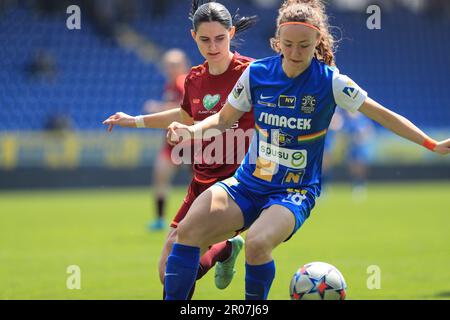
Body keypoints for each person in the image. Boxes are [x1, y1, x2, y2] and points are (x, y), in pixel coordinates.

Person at [163, 0, 450, 300]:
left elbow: (382, 114)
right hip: (247, 183)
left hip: (293, 192)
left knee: (258, 243)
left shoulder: (331, 82)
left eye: (304, 45)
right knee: (187, 231)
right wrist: (189, 131)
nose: (296, 53)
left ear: (317, 42)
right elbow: (223, 120)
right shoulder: (256, 74)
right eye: (288, 44)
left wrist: (431, 144)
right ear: (277, 41)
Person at [103, 0, 258, 298]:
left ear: (232, 33)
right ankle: (224, 249)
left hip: (238, 185)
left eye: (220, 38)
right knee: (166, 272)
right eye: (204, 39)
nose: (213, 46)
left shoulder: (253, 73)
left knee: (179, 265)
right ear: (193, 37)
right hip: (200, 182)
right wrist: (134, 120)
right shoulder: (195, 79)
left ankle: (223, 246)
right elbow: (184, 117)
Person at [144, 49, 190, 231]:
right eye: (168, 65)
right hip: (172, 142)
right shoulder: (170, 86)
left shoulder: (183, 82)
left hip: (189, 143)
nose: (171, 69)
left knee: (198, 182)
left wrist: (157, 107)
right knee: (160, 176)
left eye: (175, 65)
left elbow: (185, 109)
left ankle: (192, 219)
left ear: (183, 65)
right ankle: (160, 220)